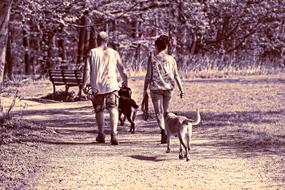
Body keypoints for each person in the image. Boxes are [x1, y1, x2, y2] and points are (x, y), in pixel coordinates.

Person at [82, 31, 128, 145]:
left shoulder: (91, 52)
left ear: (97, 40)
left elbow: (87, 70)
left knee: (99, 110)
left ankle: (101, 134)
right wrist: (125, 80)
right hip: (111, 85)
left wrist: (83, 84)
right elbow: (122, 69)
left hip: (96, 86)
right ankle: (114, 133)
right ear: (107, 41)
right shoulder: (114, 53)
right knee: (113, 108)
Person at [143, 35, 184, 144]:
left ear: (156, 46)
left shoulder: (152, 58)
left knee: (158, 112)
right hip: (168, 88)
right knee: (166, 112)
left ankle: (163, 131)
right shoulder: (171, 59)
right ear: (166, 46)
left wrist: (145, 89)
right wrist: (181, 89)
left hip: (155, 88)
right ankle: (167, 130)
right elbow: (176, 75)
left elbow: (148, 75)